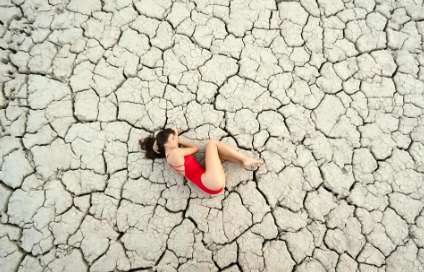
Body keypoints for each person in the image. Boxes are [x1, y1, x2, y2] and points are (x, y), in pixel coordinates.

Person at [139, 127, 263, 195]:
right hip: (211, 181)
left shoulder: (169, 155)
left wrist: (160, 143)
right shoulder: (176, 152)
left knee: (217, 153)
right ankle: (244, 159)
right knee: (212, 143)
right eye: (173, 139)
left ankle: (242, 161)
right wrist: (180, 141)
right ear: (166, 143)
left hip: (209, 186)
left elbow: (173, 130)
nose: (176, 138)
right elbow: (195, 149)